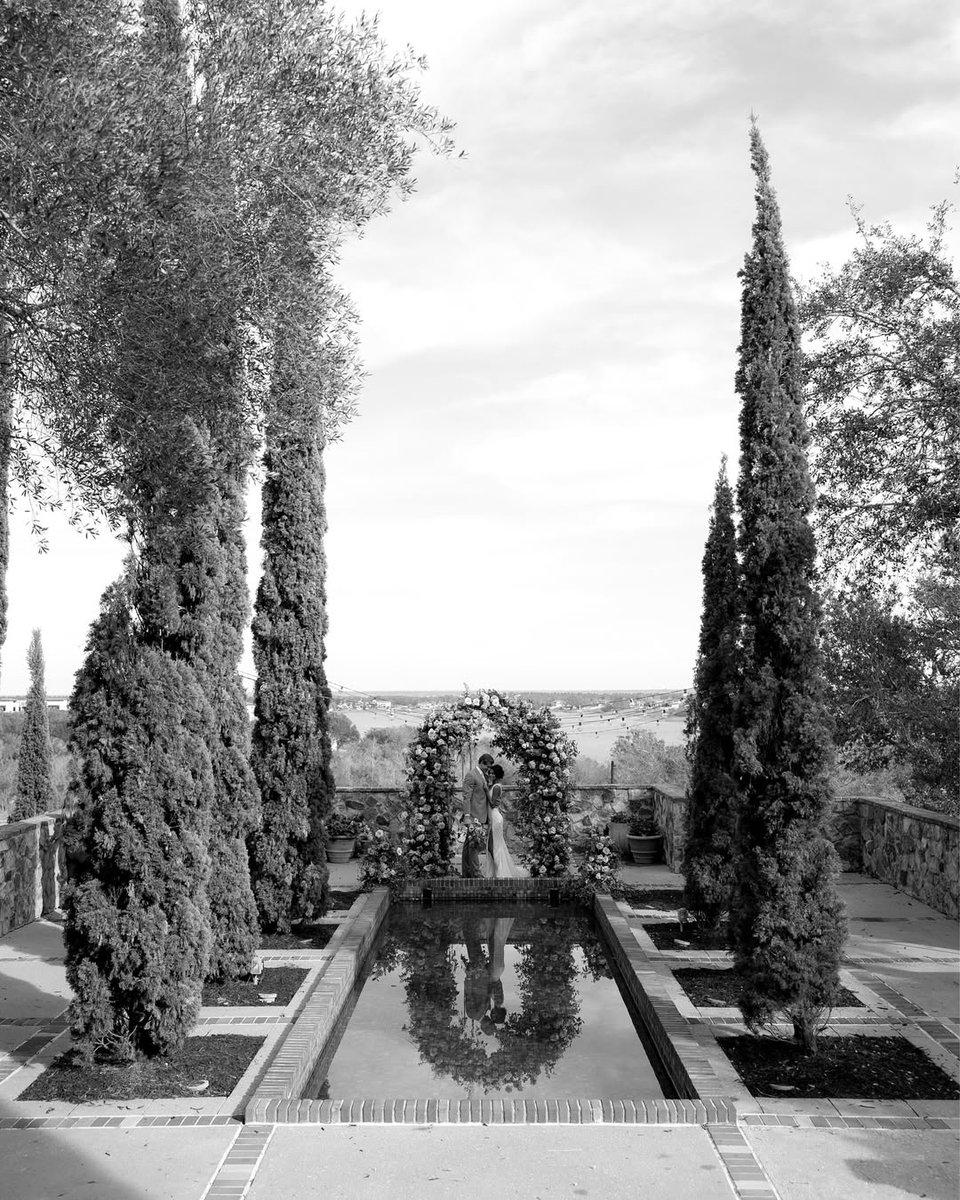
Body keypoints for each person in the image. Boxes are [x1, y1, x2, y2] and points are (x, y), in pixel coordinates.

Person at [482, 764, 520, 879]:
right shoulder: (493, 786)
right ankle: (496, 870)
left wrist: (485, 791)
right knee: (492, 845)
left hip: (495, 817)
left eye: (493, 773)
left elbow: (493, 804)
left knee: (493, 845)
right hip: (492, 816)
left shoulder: (497, 787)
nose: (491, 774)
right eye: (490, 772)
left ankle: (500, 871)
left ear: (497, 775)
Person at [459, 751, 492, 878]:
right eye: (487, 766)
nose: (488, 769)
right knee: (474, 844)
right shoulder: (471, 775)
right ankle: (476, 873)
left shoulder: (483, 775)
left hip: (481, 815)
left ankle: (467, 872)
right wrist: (467, 816)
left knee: (469, 844)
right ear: (481, 763)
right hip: (473, 816)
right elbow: (466, 797)